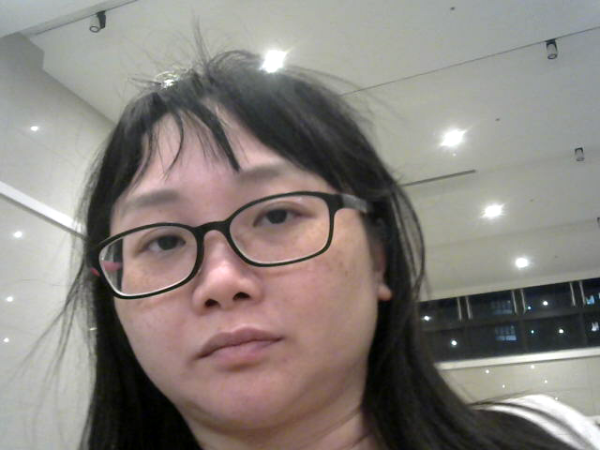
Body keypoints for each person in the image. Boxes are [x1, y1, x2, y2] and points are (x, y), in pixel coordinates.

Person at [62, 49, 600, 450]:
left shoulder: (554, 437)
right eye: (162, 241)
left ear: (378, 258)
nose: (221, 281)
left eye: (276, 215)